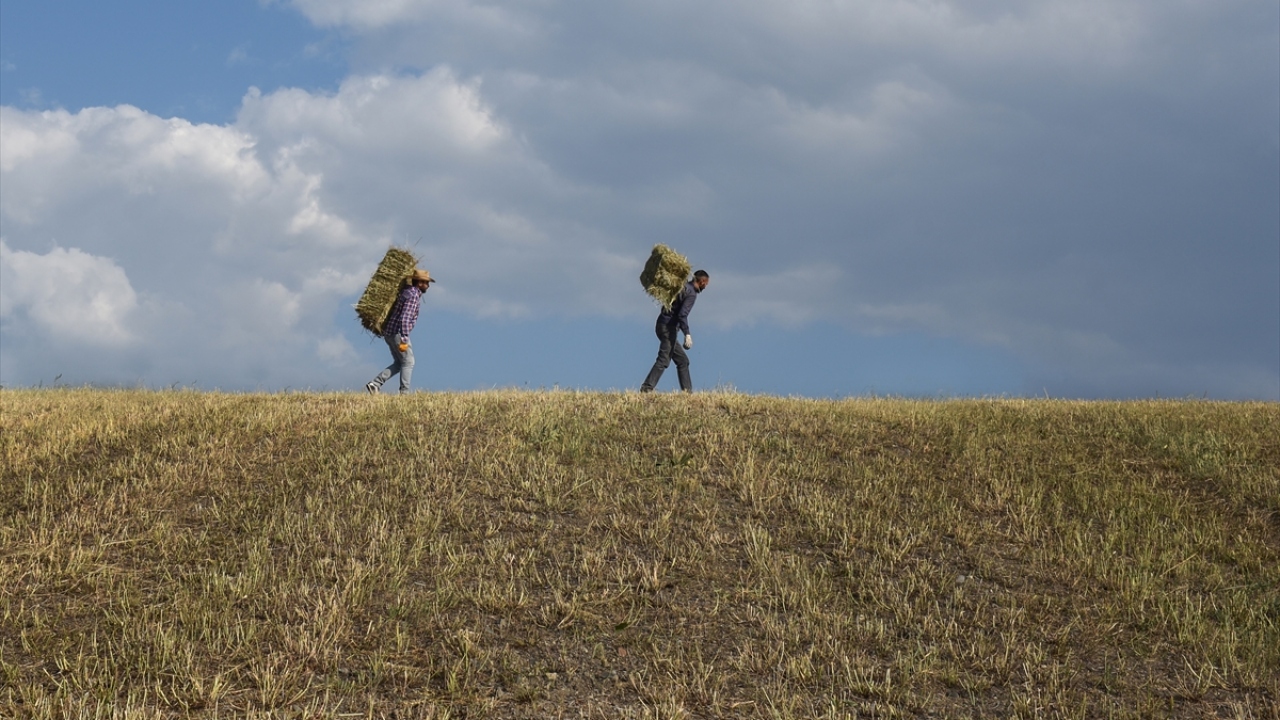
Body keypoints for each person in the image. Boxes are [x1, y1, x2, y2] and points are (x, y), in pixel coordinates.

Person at [367, 269, 434, 394]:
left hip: (389, 332)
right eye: (426, 283)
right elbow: (405, 318)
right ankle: (405, 393)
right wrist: (404, 337)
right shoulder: (413, 296)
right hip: (398, 333)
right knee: (409, 362)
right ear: (419, 282)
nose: (428, 286)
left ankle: (375, 384)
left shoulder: (406, 292)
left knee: (399, 363)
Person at [641, 270, 709, 393]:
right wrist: (687, 334)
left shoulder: (681, 286)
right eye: (706, 284)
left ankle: (687, 393)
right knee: (664, 359)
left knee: (683, 361)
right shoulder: (691, 293)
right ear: (702, 281)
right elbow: (682, 315)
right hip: (668, 328)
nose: (706, 286)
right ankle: (647, 388)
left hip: (661, 324)